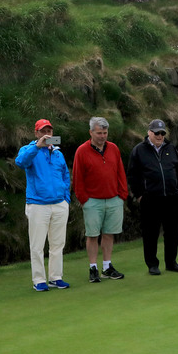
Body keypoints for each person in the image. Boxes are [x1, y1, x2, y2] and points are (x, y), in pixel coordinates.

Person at [15, 119, 71, 291]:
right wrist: (37, 146)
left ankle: (56, 277)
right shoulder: (28, 149)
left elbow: (65, 176)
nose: (47, 134)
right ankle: (39, 280)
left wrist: (65, 199)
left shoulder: (57, 153)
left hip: (59, 204)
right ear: (36, 133)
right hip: (38, 204)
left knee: (57, 244)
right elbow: (21, 162)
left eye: (49, 131)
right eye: (43, 131)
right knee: (37, 245)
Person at [72, 117, 127, 283]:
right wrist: (84, 199)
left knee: (109, 234)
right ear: (91, 132)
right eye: (99, 133)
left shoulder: (114, 148)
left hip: (113, 199)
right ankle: (93, 268)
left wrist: (122, 195)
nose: (103, 136)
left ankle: (107, 266)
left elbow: (120, 172)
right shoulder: (82, 151)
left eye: (105, 132)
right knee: (92, 235)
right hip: (92, 201)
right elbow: (77, 178)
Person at [128, 119, 178, 275]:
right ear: (149, 133)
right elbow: (133, 175)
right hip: (151, 198)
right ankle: (152, 264)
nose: (160, 136)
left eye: (162, 133)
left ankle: (171, 262)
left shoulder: (171, 148)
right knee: (150, 233)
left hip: (172, 197)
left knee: (173, 232)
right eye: (157, 133)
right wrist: (139, 195)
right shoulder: (139, 150)